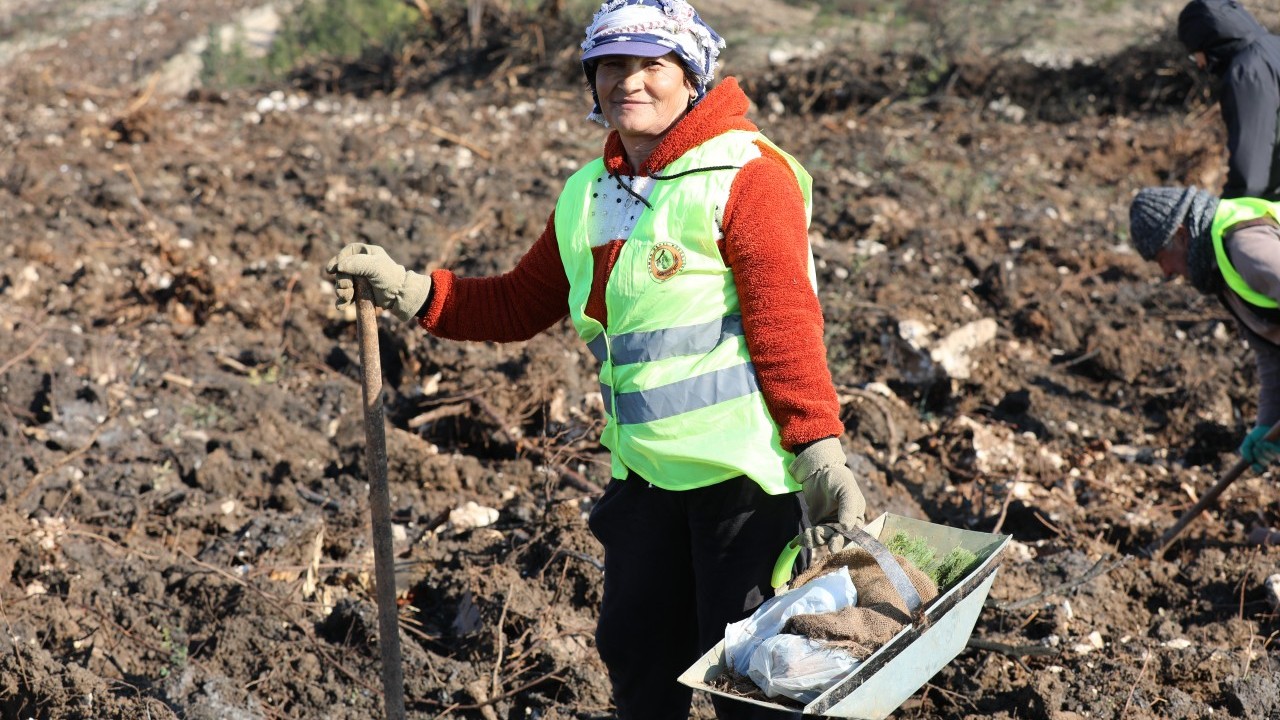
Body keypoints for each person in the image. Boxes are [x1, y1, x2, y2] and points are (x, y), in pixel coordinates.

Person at [325, 1, 867, 717]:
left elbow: (785, 325)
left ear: (690, 77)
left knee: (752, 682)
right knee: (639, 661)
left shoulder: (746, 175)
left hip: (744, 488)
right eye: (611, 64)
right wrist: (408, 289)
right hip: (643, 481)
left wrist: (819, 452)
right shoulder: (590, 192)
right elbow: (518, 303)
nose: (629, 81)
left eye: (652, 65)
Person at [1128, 186, 1280, 471]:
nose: (1166, 272)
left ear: (1181, 235)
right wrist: (1267, 423)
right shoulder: (1220, 268)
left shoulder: (1246, 246)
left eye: (1161, 258)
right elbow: (1271, 351)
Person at [1178, 0, 1280, 200]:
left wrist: (1230, 206)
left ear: (1205, 42)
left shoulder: (1248, 70)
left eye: (1194, 55)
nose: (1198, 63)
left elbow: (1251, 167)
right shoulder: (1274, 46)